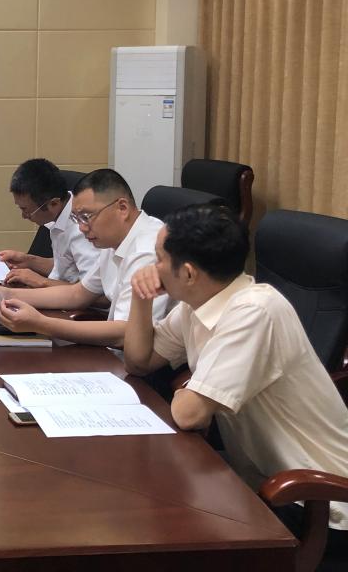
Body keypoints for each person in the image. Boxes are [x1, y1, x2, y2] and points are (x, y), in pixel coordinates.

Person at [124, 204, 348, 551]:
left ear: (188, 274)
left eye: (159, 259)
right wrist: (141, 298)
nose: (152, 269)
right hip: (258, 482)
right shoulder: (201, 302)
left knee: (156, 531)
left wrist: (190, 389)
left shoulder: (255, 311)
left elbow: (189, 414)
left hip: (317, 504)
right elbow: (140, 361)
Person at [0, 168, 169, 347]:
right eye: (77, 218)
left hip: (133, 357)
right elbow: (78, 294)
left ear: (122, 208)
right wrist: (3, 294)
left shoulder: (146, 252)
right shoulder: (114, 239)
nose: (82, 228)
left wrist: (40, 323)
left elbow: (124, 333)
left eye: (86, 217)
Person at [0, 159, 99, 289]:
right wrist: (27, 260)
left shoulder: (82, 229)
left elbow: (93, 292)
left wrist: (40, 281)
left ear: (53, 203)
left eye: (26, 210)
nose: (24, 216)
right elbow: (67, 268)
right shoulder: (61, 214)